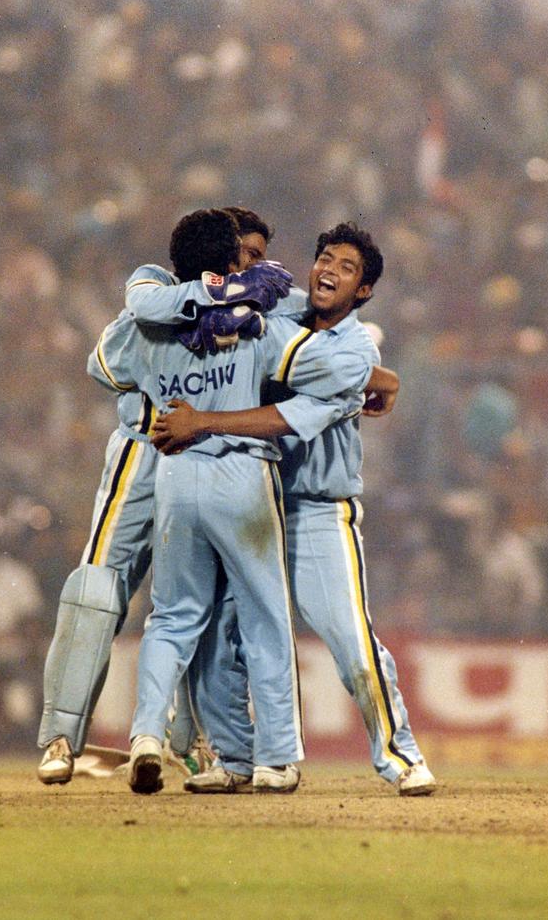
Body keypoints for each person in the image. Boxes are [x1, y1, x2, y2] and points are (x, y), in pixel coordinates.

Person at [150, 222, 437, 796]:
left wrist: (201, 422)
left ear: (364, 292)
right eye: (324, 257)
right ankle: (234, 758)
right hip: (250, 497)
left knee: (350, 640)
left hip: (316, 510)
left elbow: (282, 417)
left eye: (347, 267)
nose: (330, 269)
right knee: (217, 636)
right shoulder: (280, 309)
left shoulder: (354, 351)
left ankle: (401, 757)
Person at [90, 208, 367, 794]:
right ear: (234, 259)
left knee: (172, 618)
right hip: (241, 474)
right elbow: (325, 368)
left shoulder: (150, 325)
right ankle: (276, 759)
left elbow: (101, 367)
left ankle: (145, 734)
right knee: (266, 620)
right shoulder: (260, 322)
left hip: (173, 475)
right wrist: (372, 375)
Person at [35, 208, 289, 784]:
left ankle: (191, 739)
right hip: (143, 450)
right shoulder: (157, 288)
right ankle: (60, 735)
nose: (249, 265)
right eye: (241, 254)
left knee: (198, 608)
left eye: (256, 257)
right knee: (99, 586)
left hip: (217, 452)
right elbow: (103, 365)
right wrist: (198, 311)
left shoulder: (262, 312)